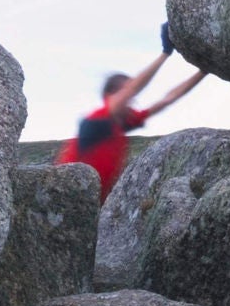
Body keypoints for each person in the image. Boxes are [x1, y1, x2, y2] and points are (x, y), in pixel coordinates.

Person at [56, 23, 206, 201]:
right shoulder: (97, 119)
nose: (131, 100)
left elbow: (167, 100)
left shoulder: (120, 123)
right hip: (66, 197)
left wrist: (203, 72)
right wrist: (165, 53)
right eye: (125, 92)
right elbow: (133, 89)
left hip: (91, 201)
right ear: (110, 95)